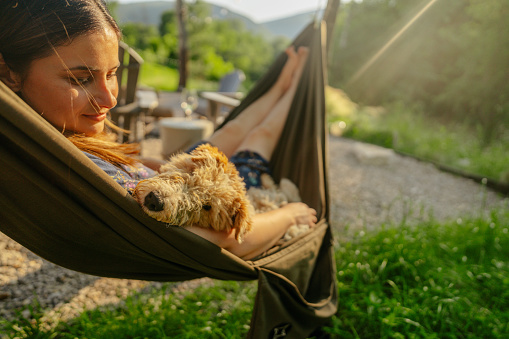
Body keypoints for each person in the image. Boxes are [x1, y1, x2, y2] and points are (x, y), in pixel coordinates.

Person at [0, 0, 316, 260]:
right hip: (205, 202)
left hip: (173, 180)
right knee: (258, 137)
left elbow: (135, 168)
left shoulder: (54, 138)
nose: (110, 98)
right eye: (80, 79)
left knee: (233, 128)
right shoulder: (70, 164)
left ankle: (283, 84)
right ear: (9, 73)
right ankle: (296, 86)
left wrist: (158, 166)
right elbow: (231, 241)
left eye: (112, 74)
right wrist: (290, 214)